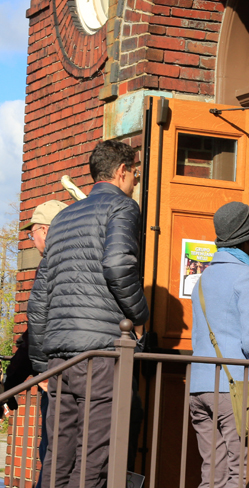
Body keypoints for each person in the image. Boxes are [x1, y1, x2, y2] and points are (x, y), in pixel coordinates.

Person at [28, 140, 149, 488]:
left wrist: (41, 366)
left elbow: (39, 301)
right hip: (100, 355)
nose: (136, 182)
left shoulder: (63, 217)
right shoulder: (122, 208)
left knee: (57, 458)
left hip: (61, 359)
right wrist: (139, 313)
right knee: (93, 459)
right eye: (135, 174)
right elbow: (117, 264)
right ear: (122, 171)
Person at [189, 201, 249, 488]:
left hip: (198, 387)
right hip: (232, 387)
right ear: (248, 239)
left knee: (212, 471)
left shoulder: (201, 279)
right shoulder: (246, 276)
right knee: (239, 470)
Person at [4, 200, 67, 488]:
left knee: (54, 453)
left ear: (46, 230)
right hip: (83, 375)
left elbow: (36, 333)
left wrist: (12, 384)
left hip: (58, 377)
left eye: (33, 233)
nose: (33, 239)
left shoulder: (52, 264)